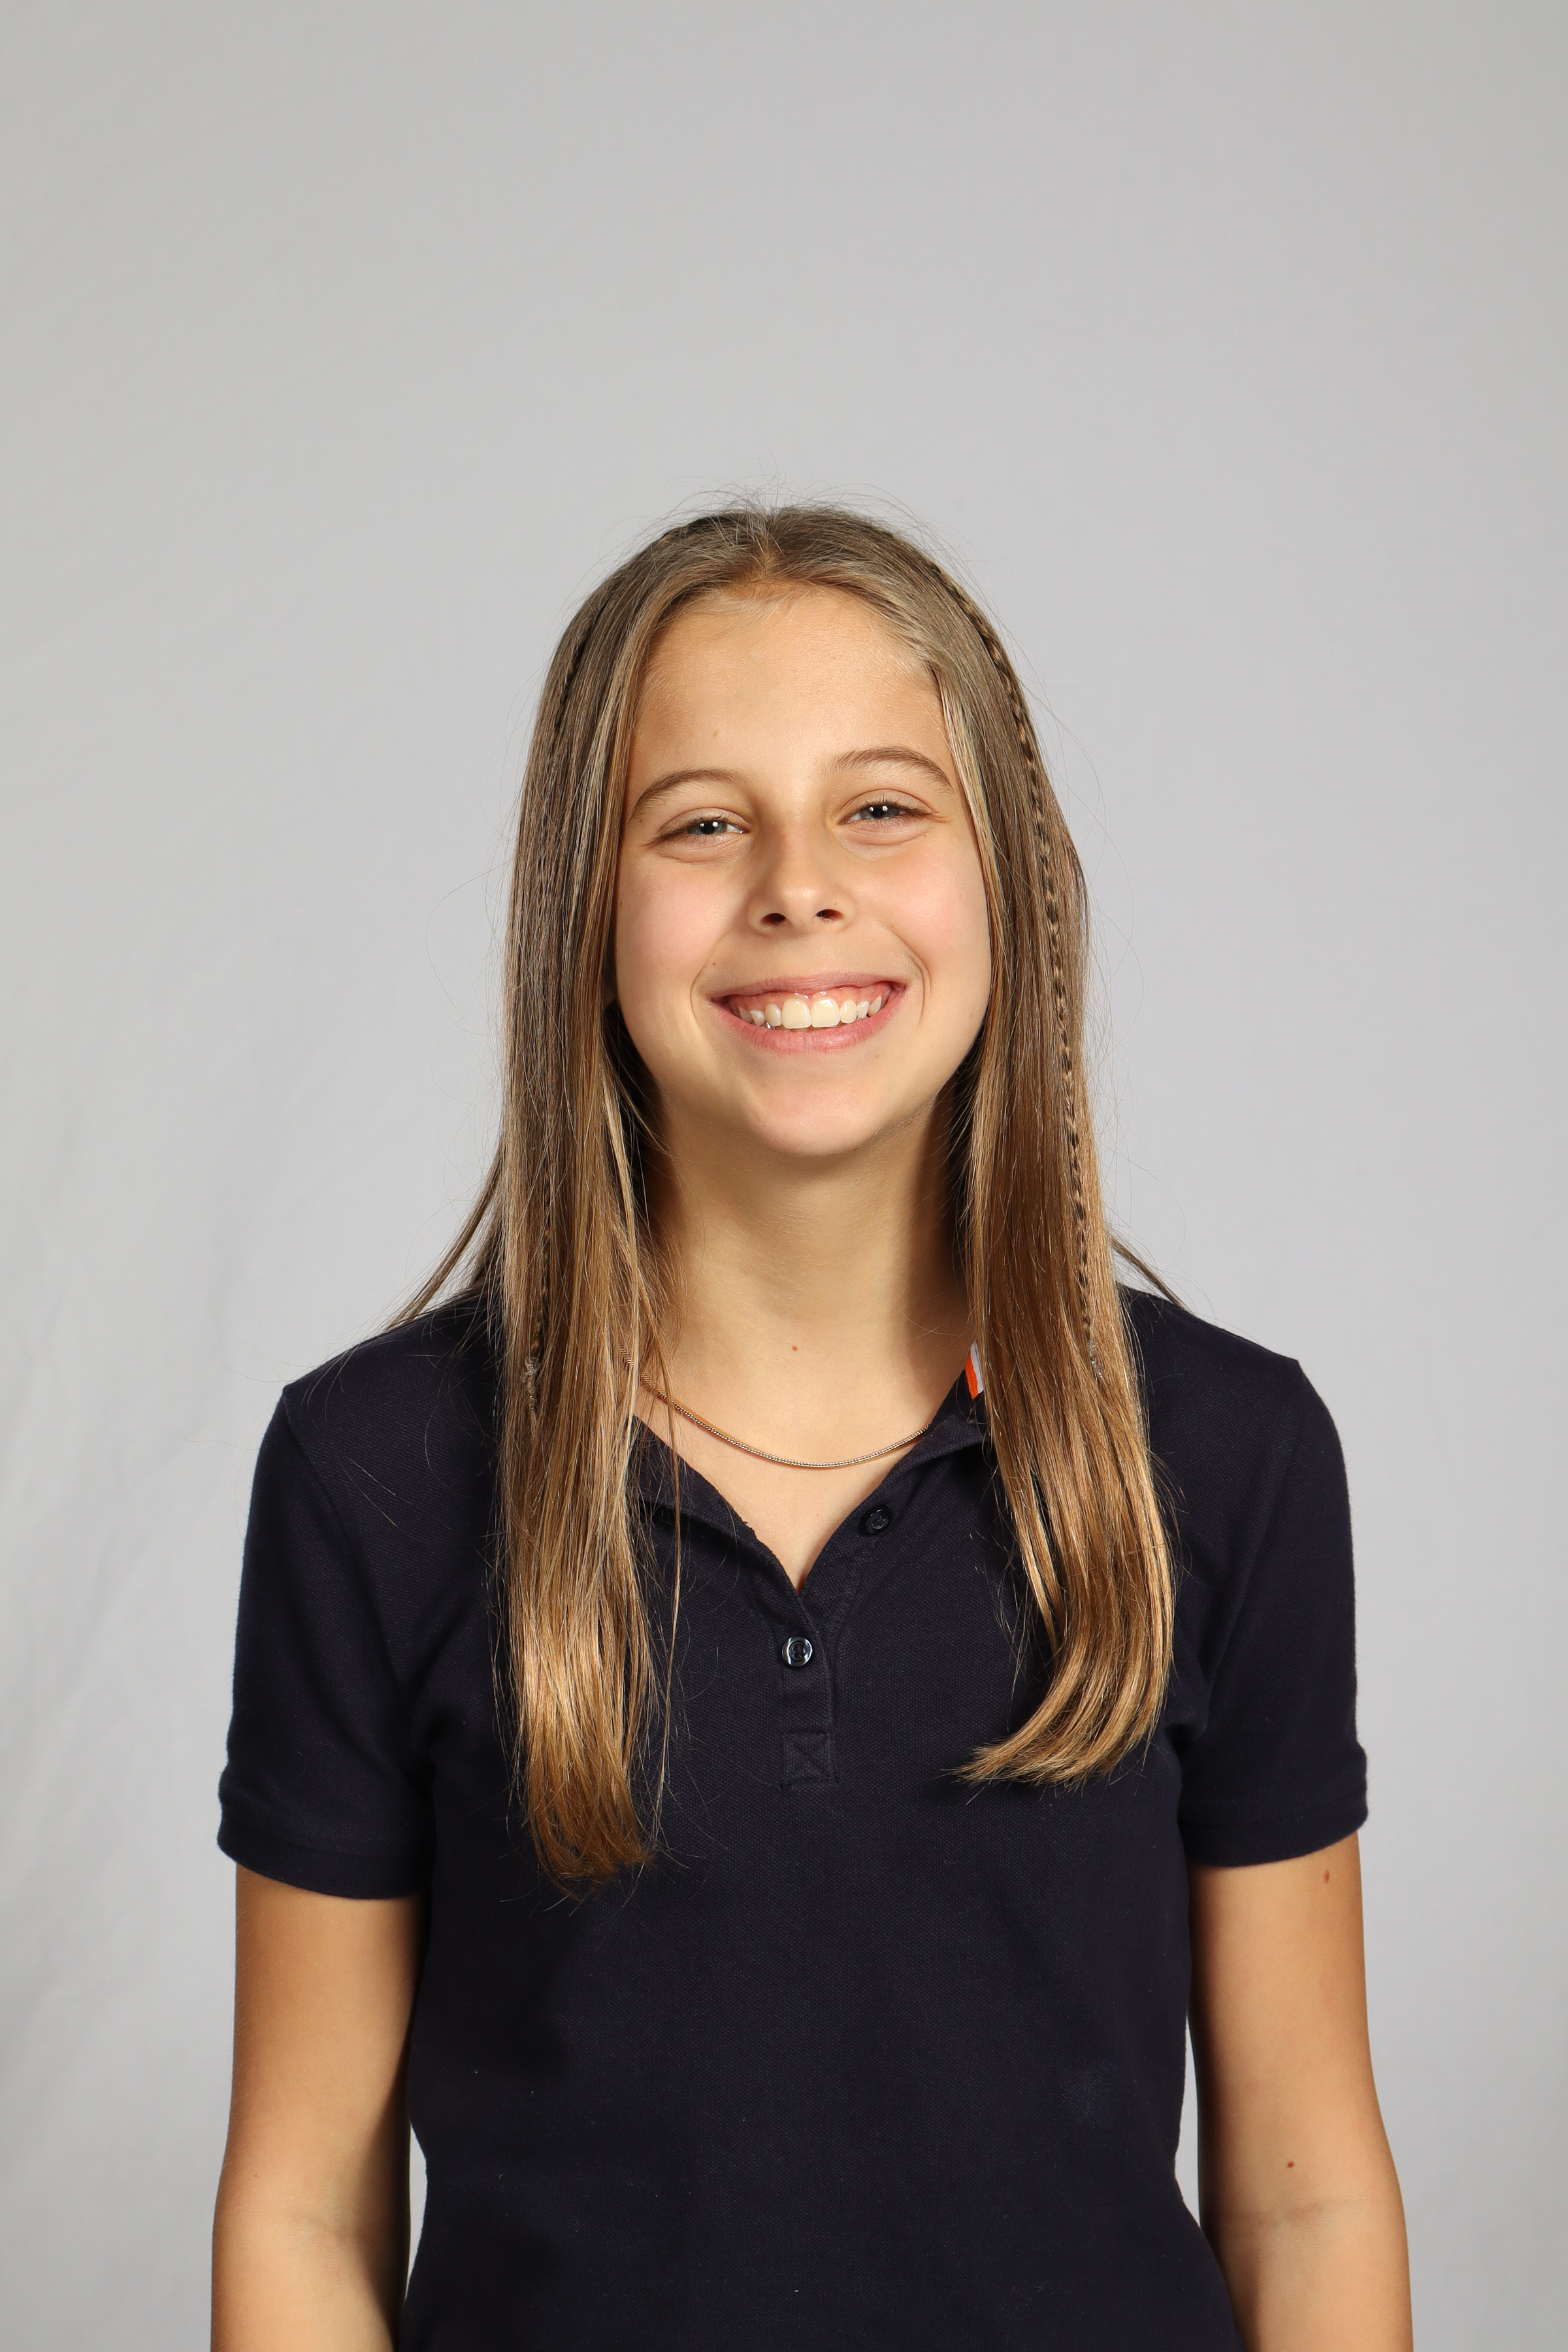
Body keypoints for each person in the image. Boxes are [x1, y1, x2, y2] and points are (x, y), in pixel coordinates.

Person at [210, 506, 1412, 2351]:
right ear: (584, 910)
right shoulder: (375, 1476)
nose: (799, 886)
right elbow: (300, 2207)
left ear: (1009, 884)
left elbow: (1306, 2196)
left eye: (882, 807)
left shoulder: (1229, 1455)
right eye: (703, 823)